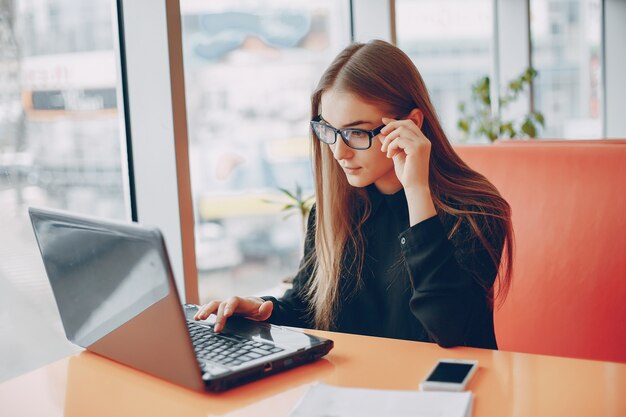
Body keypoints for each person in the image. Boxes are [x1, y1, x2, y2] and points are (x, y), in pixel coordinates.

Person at [194, 39, 513, 349]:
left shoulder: (476, 210)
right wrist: (264, 308)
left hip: (444, 394)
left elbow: (449, 329)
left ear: (410, 124)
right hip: (351, 390)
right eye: (329, 131)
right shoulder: (335, 208)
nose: (339, 151)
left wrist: (416, 190)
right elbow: (311, 308)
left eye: (356, 132)